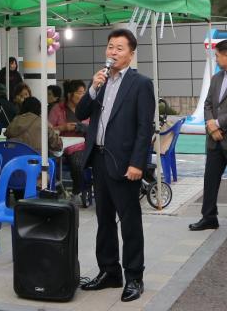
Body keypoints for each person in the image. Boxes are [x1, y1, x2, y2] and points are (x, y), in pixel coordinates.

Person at [76, 28, 154, 302]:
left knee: (130, 222)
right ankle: (109, 271)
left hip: (125, 164)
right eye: (110, 46)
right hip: (99, 160)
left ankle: (134, 277)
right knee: (104, 220)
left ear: (131, 54)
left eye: (120, 48)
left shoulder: (140, 83)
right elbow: (81, 113)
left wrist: (138, 163)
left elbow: (145, 128)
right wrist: (92, 88)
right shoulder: (101, 81)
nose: (113, 52)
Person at [189, 39, 227, 231]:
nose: (216, 59)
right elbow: (207, 104)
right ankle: (209, 217)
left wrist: (217, 123)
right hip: (214, 140)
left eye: (218, 55)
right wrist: (211, 126)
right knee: (210, 180)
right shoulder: (217, 77)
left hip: (222, 132)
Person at [49, 80, 89, 205]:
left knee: (77, 163)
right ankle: (56, 189)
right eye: (79, 93)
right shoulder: (58, 109)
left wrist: (81, 127)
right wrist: (63, 128)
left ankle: (77, 192)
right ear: (69, 94)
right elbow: (49, 129)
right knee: (46, 161)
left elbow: (93, 127)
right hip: (58, 144)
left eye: (84, 93)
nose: (82, 96)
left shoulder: (87, 108)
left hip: (79, 145)